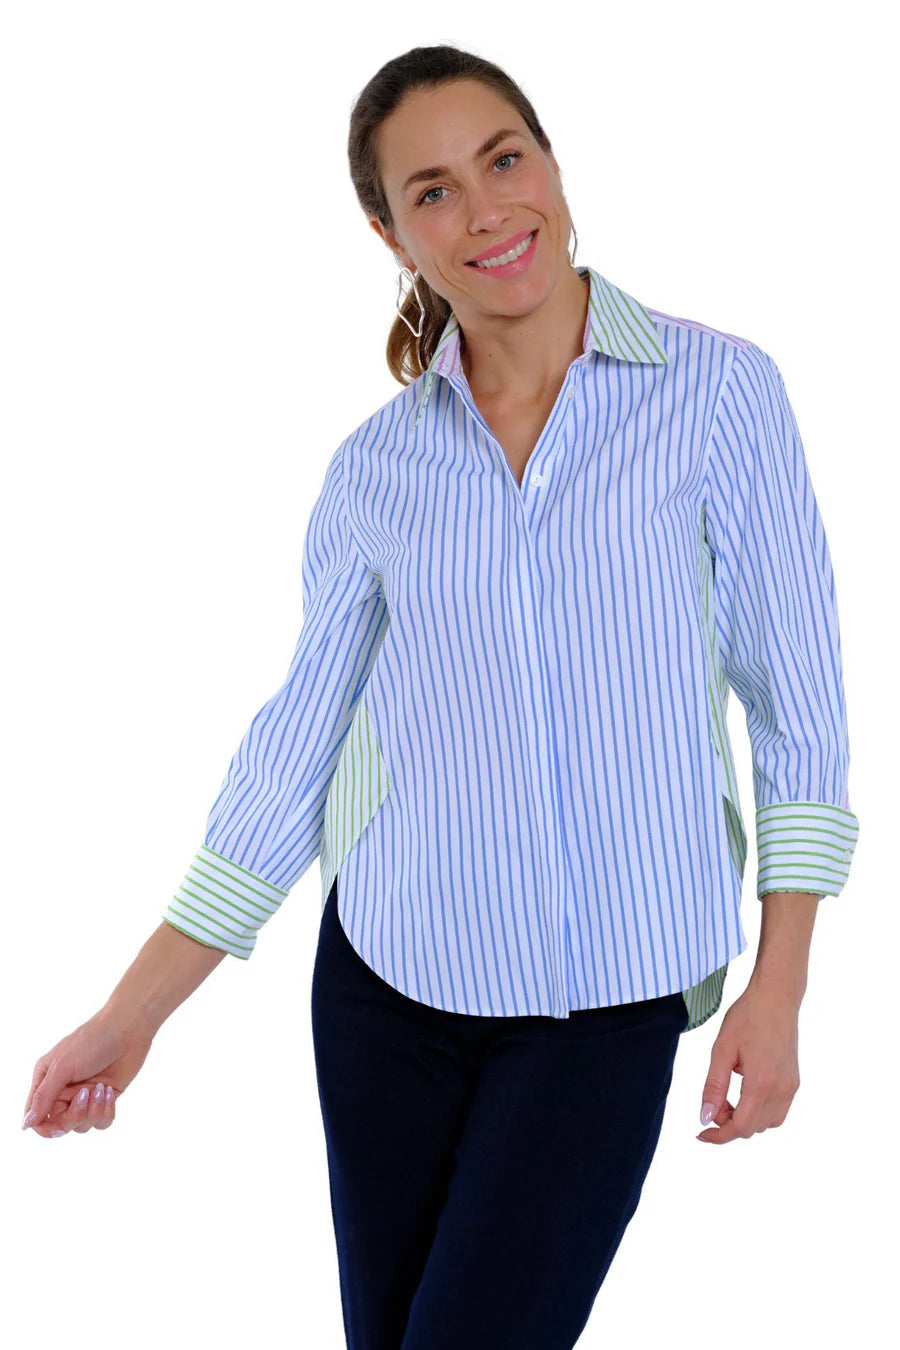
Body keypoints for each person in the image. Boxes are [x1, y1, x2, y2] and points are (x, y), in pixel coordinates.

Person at [21, 43, 859, 1350]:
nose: (484, 211)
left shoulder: (719, 396)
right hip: (390, 991)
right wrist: (130, 1019)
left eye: (503, 160)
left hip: (608, 1000)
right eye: (432, 191)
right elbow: (292, 753)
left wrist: (780, 983)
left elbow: (800, 703)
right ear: (391, 235)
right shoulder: (376, 472)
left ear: (551, 163)